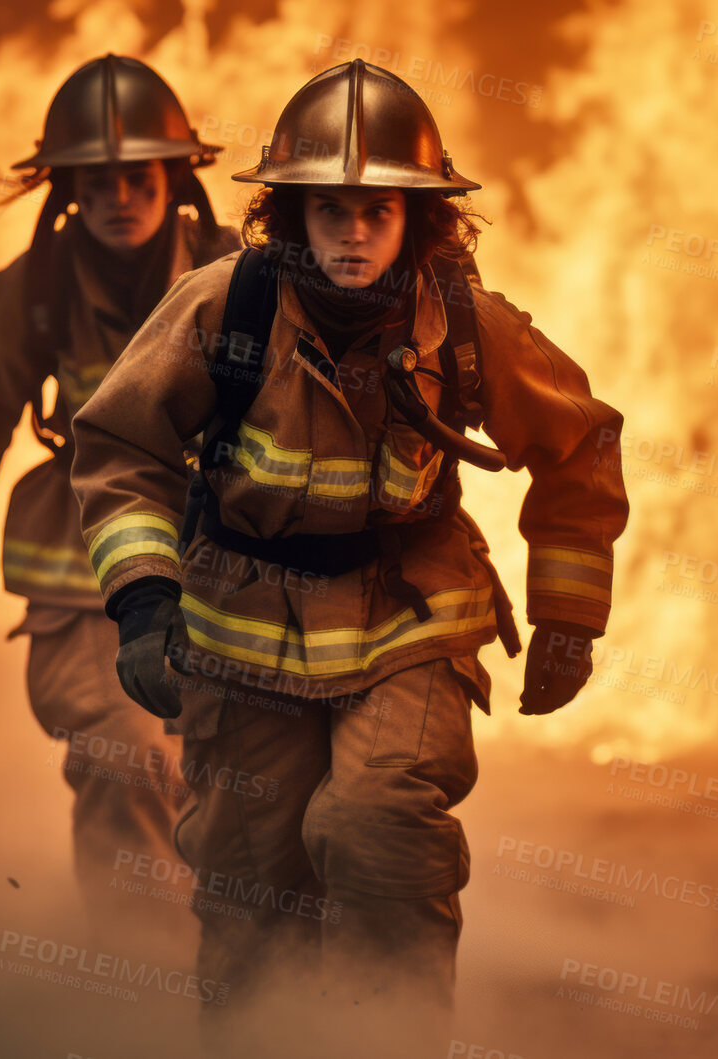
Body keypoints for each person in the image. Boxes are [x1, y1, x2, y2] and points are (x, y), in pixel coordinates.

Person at [69, 59, 630, 1059]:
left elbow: (578, 441)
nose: (355, 233)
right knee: (248, 872)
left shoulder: (465, 327)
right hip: (241, 635)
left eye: (380, 210)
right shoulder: (220, 311)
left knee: (371, 831)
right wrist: (144, 602)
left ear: (421, 220)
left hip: (404, 624)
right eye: (330, 210)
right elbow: (118, 447)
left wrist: (567, 616)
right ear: (289, 216)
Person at [0, 54, 239, 954]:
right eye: (98, 181)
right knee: (127, 753)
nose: (120, 196)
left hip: (227, 570)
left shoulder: (245, 277)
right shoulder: (31, 295)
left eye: (138, 176)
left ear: (174, 177)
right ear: (67, 188)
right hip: (84, 581)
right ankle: (140, 982)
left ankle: (252, 992)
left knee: (238, 776)